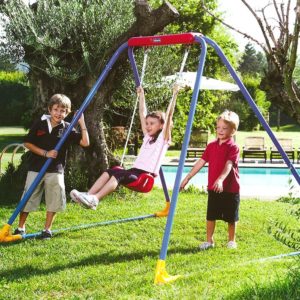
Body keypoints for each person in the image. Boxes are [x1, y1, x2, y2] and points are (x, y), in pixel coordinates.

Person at [70, 84, 181, 210]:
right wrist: (142, 96)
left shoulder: (163, 140)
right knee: (111, 171)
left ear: (161, 125)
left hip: (144, 178)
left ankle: (95, 199)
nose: (148, 126)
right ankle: (88, 195)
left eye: (152, 124)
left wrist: (174, 95)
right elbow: (142, 113)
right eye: (147, 123)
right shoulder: (147, 138)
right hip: (134, 172)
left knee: (119, 175)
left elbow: (169, 116)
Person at [14, 94, 90, 239]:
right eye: (56, 109)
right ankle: (20, 227)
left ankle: (47, 230)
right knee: (28, 196)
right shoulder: (40, 123)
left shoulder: (67, 128)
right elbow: (27, 143)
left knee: (54, 198)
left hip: (56, 169)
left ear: (67, 113)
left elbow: (85, 143)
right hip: (36, 167)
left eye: (63, 111)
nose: (58, 113)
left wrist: (82, 122)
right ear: (50, 109)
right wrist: (45, 153)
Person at [180, 110, 240, 250]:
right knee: (211, 215)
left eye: (224, 128)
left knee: (231, 217)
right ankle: (209, 241)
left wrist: (220, 179)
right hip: (213, 187)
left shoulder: (233, 147)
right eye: (218, 127)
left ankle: (231, 240)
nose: (220, 130)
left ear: (233, 131)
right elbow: (201, 162)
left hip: (230, 188)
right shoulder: (211, 146)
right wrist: (188, 177)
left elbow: (229, 164)